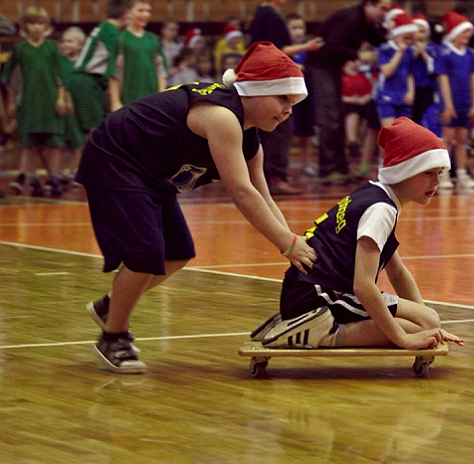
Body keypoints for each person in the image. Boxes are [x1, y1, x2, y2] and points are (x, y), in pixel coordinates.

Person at [79, 42, 317, 373]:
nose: (289, 109)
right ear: (255, 90)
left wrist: (293, 242)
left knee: (177, 252)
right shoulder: (222, 116)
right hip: (115, 158)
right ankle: (113, 336)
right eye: (282, 98)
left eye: (293, 102)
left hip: (151, 173)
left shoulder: (250, 138)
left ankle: (112, 305)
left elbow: (263, 196)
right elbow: (241, 192)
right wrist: (286, 244)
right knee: (146, 252)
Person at [254, 117, 463, 351]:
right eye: (428, 173)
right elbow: (363, 286)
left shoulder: (375, 195)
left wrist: (428, 326)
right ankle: (317, 331)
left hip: (306, 293)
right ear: (404, 170)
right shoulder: (381, 209)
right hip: (317, 298)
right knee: (421, 324)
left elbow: (397, 272)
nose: (436, 181)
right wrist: (404, 339)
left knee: (427, 322)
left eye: (440, 173)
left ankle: (310, 324)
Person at [246, 0, 324, 195]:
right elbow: (276, 49)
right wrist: (307, 47)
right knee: (280, 128)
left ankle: (267, 177)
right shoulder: (270, 15)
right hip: (272, 79)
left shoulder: (262, 14)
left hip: (265, 78)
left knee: (271, 129)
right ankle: (276, 177)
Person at [303, 0, 392, 185]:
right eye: (383, 8)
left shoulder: (367, 23)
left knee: (338, 118)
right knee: (330, 119)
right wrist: (358, 55)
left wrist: (395, 30)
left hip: (333, 68)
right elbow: (332, 46)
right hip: (320, 67)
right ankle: (327, 170)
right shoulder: (350, 19)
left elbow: (380, 40)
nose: (385, 13)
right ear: (369, 5)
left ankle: (340, 168)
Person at [1, 6, 68, 197]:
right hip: (29, 102)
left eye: (40, 23)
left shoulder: (52, 47)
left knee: (53, 143)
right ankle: (33, 179)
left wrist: (61, 98)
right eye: (32, 23)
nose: (36, 27)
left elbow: (60, 75)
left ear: (46, 26)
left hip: (50, 100)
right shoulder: (20, 48)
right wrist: (11, 102)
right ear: (25, 26)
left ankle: (53, 177)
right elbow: (9, 77)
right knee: (30, 144)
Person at [71, 0, 130, 134]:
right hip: (86, 80)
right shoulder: (111, 31)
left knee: (97, 128)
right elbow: (113, 62)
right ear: (125, 14)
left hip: (87, 80)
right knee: (96, 130)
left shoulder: (104, 27)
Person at [436, 11, 474, 190]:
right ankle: (444, 175)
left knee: (462, 139)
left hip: (465, 102)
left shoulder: (469, 54)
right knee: (448, 140)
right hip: (450, 103)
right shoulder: (444, 53)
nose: (468, 35)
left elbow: (473, 79)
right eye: (465, 31)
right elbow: (443, 80)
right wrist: (448, 105)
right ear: (455, 32)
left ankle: (461, 174)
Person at [108, 0, 169, 111]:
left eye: (148, 11)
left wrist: (161, 96)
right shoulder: (120, 39)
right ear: (129, 12)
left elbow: (161, 71)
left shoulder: (153, 39)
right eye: (140, 10)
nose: (145, 14)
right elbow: (113, 73)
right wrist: (115, 101)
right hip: (128, 98)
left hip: (152, 99)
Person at [285, 12, 317, 177]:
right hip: (289, 96)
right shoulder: (285, 49)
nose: (298, 31)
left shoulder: (309, 49)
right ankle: (284, 165)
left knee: (306, 133)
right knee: (287, 132)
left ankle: (306, 164)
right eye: (294, 28)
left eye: (301, 28)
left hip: (306, 96)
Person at [57, 26, 88, 188]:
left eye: (70, 41)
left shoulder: (85, 64)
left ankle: (73, 171)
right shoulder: (59, 62)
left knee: (78, 142)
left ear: (80, 45)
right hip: (64, 107)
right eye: (64, 41)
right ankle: (61, 171)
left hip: (81, 106)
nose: (65, 44)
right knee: (63, 141)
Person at [376, 12, 417, 128]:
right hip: (387, 97)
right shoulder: (385, 49)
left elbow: (409, 74)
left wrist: (411, 92)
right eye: (405, 38)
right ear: (397, 34)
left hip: (403, 98)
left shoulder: (409, 51)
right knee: (390, 134)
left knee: (403, 135)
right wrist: (400, 51)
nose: (408, 42)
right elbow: (387, 71)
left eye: (410, 39)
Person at [342, 58, 379, 177]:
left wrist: (364, 98)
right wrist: (352, 99)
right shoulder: (342, 75)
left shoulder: (362, 76)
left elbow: (369, 90)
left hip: (365, 104)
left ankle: (377, 163)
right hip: (348, 106)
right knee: (354, 114)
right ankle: (353, 143)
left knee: (371, 127)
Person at [409, 14, 439, 125]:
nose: (419, 35)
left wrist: (424, 54)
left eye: (422, 31)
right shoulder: (407, 48)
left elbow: (436, 69)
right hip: (410, 88)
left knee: (425, 117)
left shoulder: (433, 48)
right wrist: (415, 53)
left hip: (427, 88)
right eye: (416, 31)